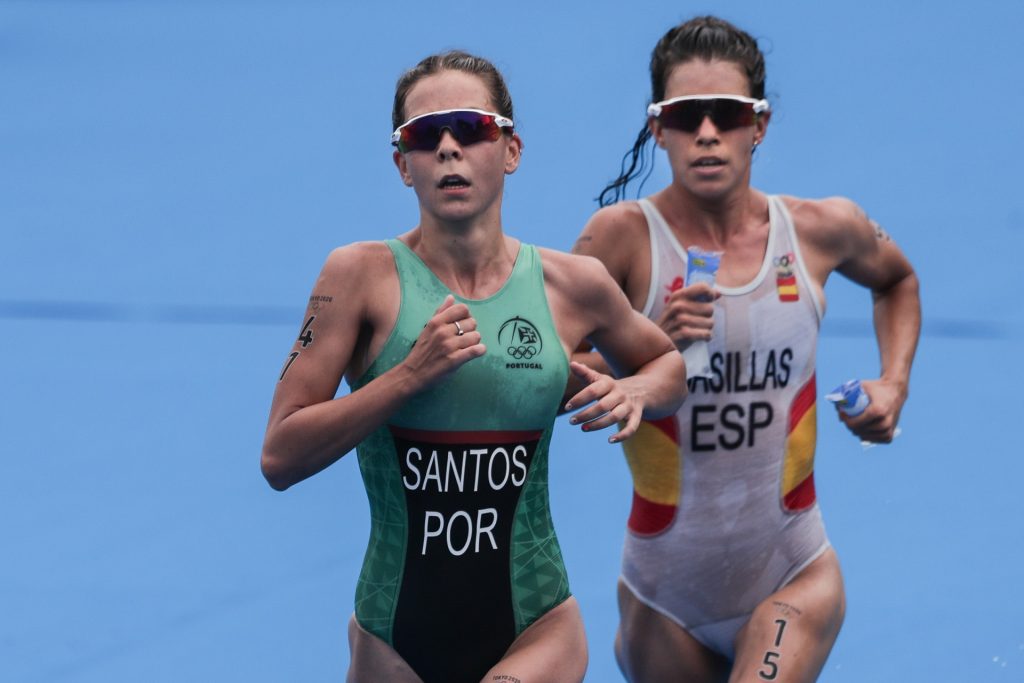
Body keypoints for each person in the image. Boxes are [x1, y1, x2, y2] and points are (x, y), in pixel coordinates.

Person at [260, 50, 686, 683]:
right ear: (403, 164)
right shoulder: (358, 277)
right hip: (393, 640)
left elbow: (668, 365)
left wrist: (637, 392)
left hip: (536, 626)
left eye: (473, 128)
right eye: (425, 135)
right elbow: (279, 457)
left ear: (510, 149)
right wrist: (407, 376)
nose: (449, 149)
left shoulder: (574, 285)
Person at [571, 16, 921, 683]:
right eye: (686, 115)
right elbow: (546, 370)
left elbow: (897, 279)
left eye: (727, 114)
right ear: (657, 128)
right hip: (660, 600)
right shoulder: (617, 241)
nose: (707, 133)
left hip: (792, 571)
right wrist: (645, 351)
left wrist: (893, 383)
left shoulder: (822, 229)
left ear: (758, 125)